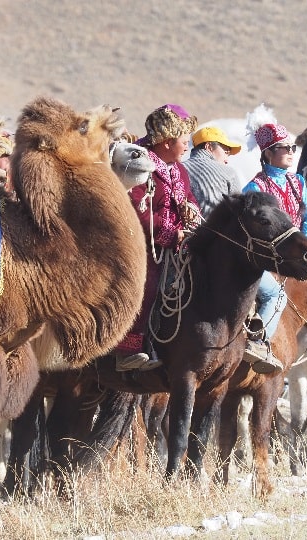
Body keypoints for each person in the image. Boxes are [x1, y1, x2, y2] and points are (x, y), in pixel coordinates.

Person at [115, 104, 202, 371]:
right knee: (147, 285)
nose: (188, 147)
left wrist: (193, 219)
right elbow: (134, 210)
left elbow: (189, 199)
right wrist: (168, 233)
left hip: (178, 244)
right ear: (166, 142)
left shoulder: (180, 170)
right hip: (141, 244)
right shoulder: (138, 165)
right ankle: (126, 352)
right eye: (184, 142)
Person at [242, 122, 307, 374]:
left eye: (293, 147)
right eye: (284, 147)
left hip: (297, 255)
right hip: (268, 256)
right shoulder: (255, 189)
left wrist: (305, 240)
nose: (291, 151)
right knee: (273, 296)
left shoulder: (298, 183)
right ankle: (257, 343)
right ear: (267, 152)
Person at [183, 126, 243, 217]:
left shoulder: (178, 169)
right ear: (209, 147)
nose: (227, 160)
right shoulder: (229, 172)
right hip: (218, 230)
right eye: (226, 152)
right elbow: (240, 212)